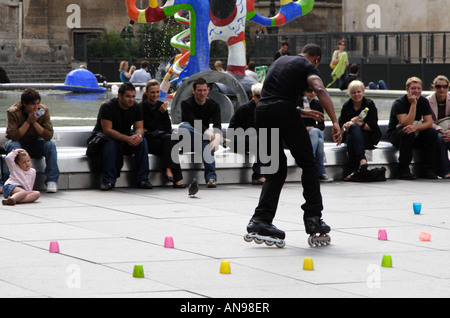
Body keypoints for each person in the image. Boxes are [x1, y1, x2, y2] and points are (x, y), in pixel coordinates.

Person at [247, 43, 342, 242]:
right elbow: (320, 89)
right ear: (316, 59)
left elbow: (273, 97)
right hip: (283, 113)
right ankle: (313, 218)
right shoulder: (308, 66)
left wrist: (302, 111)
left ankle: (261, 219)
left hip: (262, 113)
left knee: (275, 170)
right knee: (309, 164)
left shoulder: (279, 61)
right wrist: (334, 121)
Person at [90, 82, 153, 191]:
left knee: (142, 142)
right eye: (128, 96)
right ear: (120, 96)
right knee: (111, 143)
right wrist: (128, 139)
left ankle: (143, 179)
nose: (131, 100)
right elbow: (107, 130)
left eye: (133, 97)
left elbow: (139, 127)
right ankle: (108, 180)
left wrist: (137, 136)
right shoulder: (107, 106)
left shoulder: (136, 107)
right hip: (104, 139)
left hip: (124, 138)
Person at [6, 88, 59, 193]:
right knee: (12, 146)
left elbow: (48, 135)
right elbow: (13, 136)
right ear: (24, 103)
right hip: (20, 142)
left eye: (37, 104)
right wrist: (28, 121)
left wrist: (35, 122)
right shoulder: (13, 112)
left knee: (50, 145)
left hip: (36, 142)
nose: (36, 107)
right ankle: (15, 182)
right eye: (33, 104)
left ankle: (52, 180)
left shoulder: (44, 111)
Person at [387, 77, 439, 180]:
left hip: (414, 130)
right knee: (407, 132)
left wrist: (415, 128)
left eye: (418, 88)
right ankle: (403, 169)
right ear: (407, 90)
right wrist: (413, 104)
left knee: (432, 133)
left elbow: (429, 122)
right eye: (413, 88)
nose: (416, 91)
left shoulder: (424, 101)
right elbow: (406, 123)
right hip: (397, 134)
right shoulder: (399, 103)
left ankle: (427, 168)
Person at [141, 80, 185, 188]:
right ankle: (176, 177)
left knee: (169, 140)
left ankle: (170, 170)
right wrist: (159, 114)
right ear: (146, 93)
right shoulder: (141, 107)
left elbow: (167, 127)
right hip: (150, 141)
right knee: (170, 141)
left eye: (157, 92)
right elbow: (148, 127)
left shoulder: (161, 105)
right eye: (152, 92)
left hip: (162, 139)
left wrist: (154, 128)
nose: (155, 95)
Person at [179, 78, 222, 188]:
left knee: (206, 143)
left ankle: (211, 178)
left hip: (203, 139)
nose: (202, 93)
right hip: (188, 138)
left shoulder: (214, 105)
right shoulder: (186, 103)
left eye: (204, 90)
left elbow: (217, 125)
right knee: (184, 126)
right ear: (194, 91)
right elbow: (193, 122)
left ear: (208, 90)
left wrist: (216, 137)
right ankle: (211, 176)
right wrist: (210, 135)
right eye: (199, 90)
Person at [338, 80, 382, 179]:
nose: (356, 95)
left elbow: (373, 126)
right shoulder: (346, 106)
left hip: (368, 136)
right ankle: (361, 162)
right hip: (352, 137)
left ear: (363, 92)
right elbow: (341, 125)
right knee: (351, 136)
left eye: (359, 92)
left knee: (352, 133)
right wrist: (347, 124)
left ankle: (353, 169)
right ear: (350, 93)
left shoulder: (369, 104)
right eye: (354, 92)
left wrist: (360, 124)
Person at [228, 83, 265, 185]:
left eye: (264, 96)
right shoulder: (245, 109)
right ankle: (257, 175)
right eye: (258, 96)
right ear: (253, 97)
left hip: (252, 140)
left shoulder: (265, 109)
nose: (261, 99)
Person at [301, 88, 333, 182]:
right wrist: (306, 128)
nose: (312, 93)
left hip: (313, 133)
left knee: (316, 134)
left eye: (314, 91)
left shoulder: (317, 104)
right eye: (309, 91)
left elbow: (321, 125)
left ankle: (310, 166)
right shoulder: (298, 103)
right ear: (304, 91)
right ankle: (320, 172)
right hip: (301, 133)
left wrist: (312, 127)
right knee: (318, 139)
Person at [426, 75, 450, 179]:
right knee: (440, 139)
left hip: (448, 128)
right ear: (434, 87)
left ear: (448, 87)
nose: (442, 89)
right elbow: (427, 120)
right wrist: (440, 130)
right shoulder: (427, 101)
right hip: (436, 129)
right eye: (439, 86)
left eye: (445, 86)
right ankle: (445, 170)